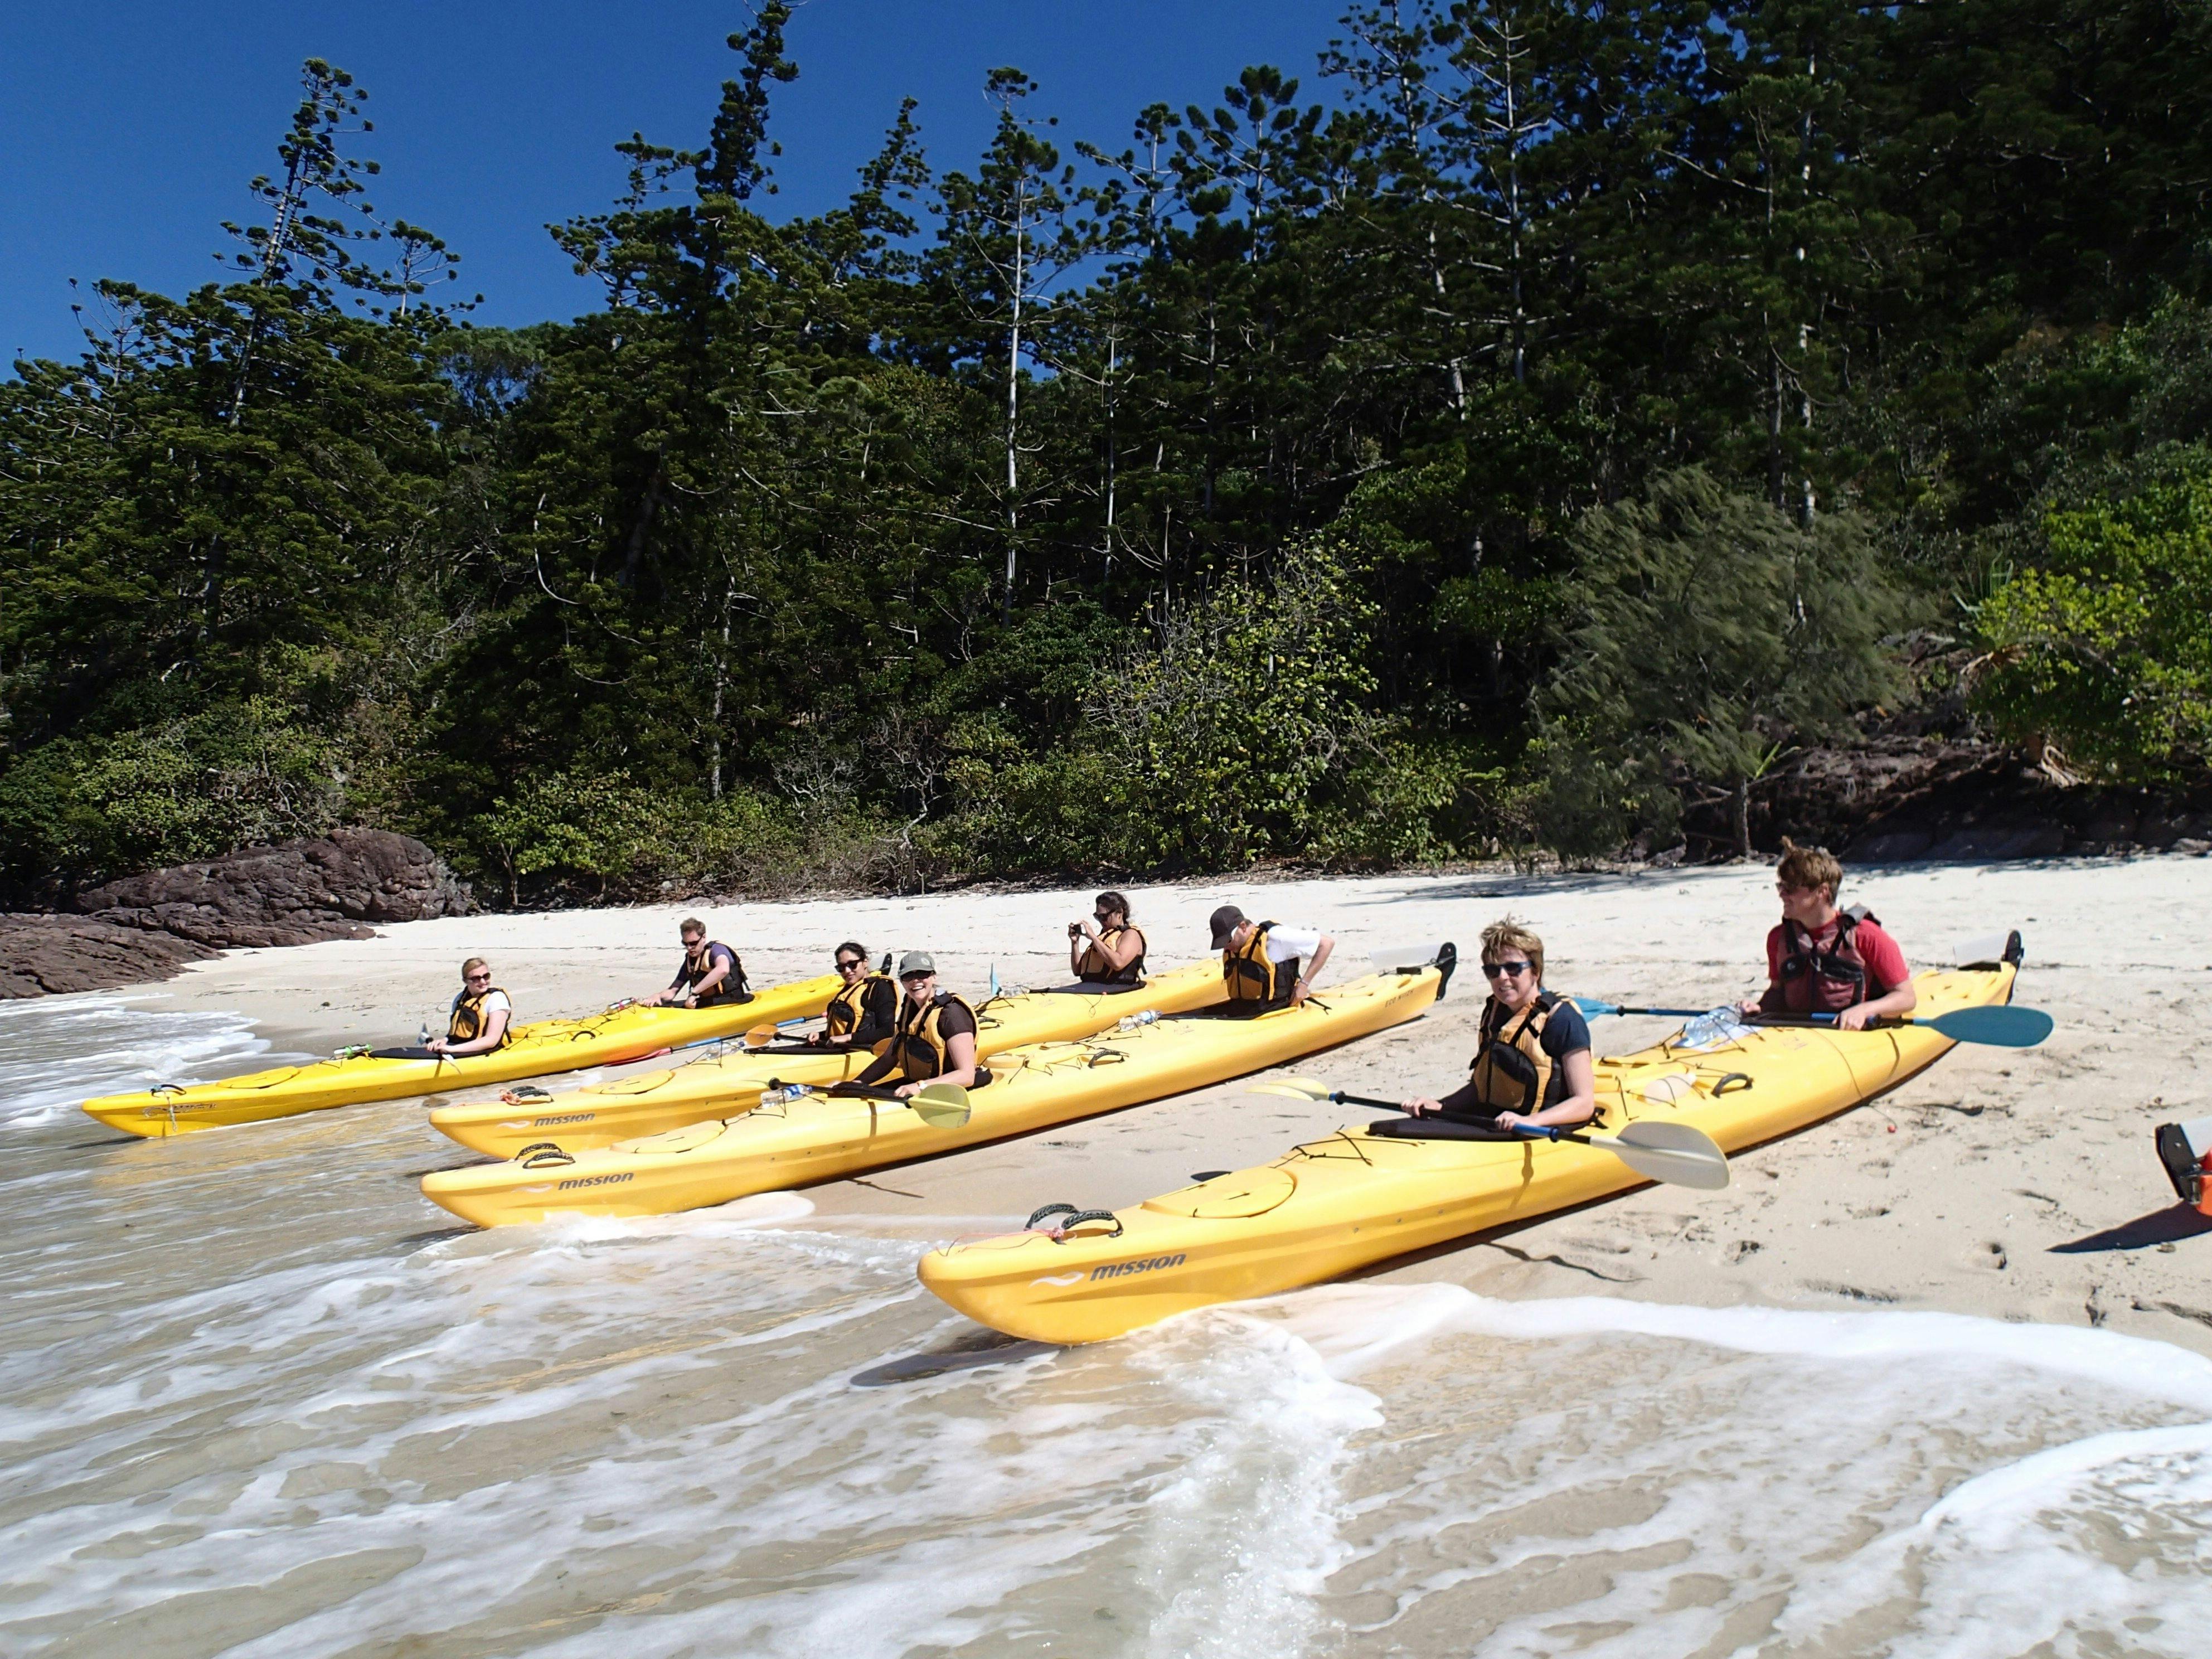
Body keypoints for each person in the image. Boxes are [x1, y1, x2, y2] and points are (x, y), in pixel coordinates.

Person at [1400, 918, 1596, 1132]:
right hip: (1493, 1120)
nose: (1502, 978)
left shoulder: (1562, 1020)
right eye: (1493, 971)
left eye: (1513, 969)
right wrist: (1441, 1105)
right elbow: (1482, 1088)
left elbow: (1584, 1103)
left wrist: (1531, 1122)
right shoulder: (1495, 1012)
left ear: (1535, 972)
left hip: (1537, 1128)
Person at [1736, 840, 1916, 1032]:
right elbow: (1777, 991)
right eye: (1780, 887)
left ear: (1822, 891)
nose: (1782, 894)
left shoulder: (1867, 935)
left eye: (1790, 889)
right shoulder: (1778, 938)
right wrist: (1760, 1007)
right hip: (1796, 1033)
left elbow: (1906, 998)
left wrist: (1865, 1010)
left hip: (1848, 1033)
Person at [851, 952, 988, 1098]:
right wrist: (856, 1084)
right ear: (902, 981)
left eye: (923, 975)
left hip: (952, 1091)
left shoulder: (952, 1014)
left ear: (934, 976)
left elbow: (967, 1075)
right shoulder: (910, 1009)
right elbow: (888, 1059)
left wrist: (920, 1087)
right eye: (908, 976)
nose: (915, 981)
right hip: (920, 1085)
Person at [1208, 905, 1335, 1009]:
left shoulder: (1276, 937)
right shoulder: (1236, 946)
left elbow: (1326, 944)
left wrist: (1304, 984)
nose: (1226, 948)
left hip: (1276, 1007)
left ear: (1243, 927)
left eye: (1228, 941)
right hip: (1244, 1007)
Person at [809, 942, 900, 1050]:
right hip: (841, 1047)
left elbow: (887, 1032)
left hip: (862, 1051)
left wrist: (849, 1038)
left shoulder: (881, 988)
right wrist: (822, 1036)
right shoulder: (849, 989)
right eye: (841, 968)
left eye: (852, 965)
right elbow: (849, 1030)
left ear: (865, 963)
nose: (847, 971)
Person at [647, 918, 750, 1008]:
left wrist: (694, 993)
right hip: (708, 1004)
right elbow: (672, 991)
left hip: (731, 1001)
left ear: (704, 938)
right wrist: (658, 996)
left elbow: (723, 970)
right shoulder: (690, 960)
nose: (689, 948)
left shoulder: (717, 950)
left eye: (693, 943)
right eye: (685, 944)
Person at [426, 958, 514, 1057]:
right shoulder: (460, 998)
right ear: (465, 981)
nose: (483, 981)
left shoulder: (497, 999)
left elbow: (492, 1040)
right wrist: (444, 1040)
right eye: (476, 978)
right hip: (461, 1049)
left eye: (486, 976)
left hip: (490, 1052)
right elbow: (457, 1031)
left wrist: (451, 1049)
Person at [1069, 890, 1147, 986]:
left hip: (1117, 989)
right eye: (1098, 917)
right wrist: (1075, 943)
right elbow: (1077, 971)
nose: (1101, 921)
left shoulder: (1131, 934)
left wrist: (1094, 938)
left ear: (1120, 913)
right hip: (1091, 987)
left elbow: (1118, 963)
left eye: (1104, 917)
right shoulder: (1103, 938)